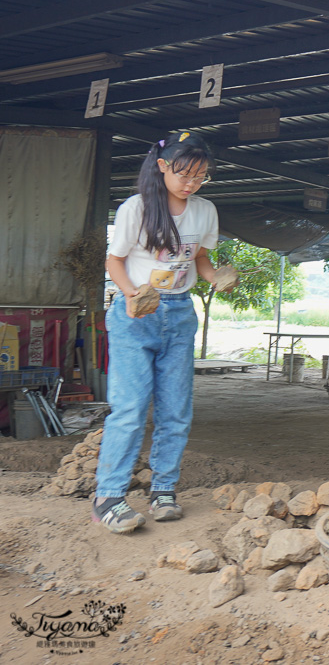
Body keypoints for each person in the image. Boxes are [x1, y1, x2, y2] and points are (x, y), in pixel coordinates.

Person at [93, 130, 234, 534]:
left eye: (200, 176)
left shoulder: (205, 210)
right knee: (132, 408)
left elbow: (200, 257)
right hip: (136, 314)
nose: (191, 182)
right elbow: (114, 261)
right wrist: (131, 292)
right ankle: (109, 497)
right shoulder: (136, 209)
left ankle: (164, 490)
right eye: (184, 173)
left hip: (179, 313)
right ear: (161, 166)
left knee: (176, 411)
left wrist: (214, 277)